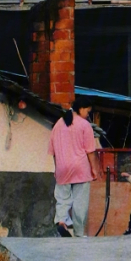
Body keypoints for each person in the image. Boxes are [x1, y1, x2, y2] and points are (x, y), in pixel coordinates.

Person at [49, 101, 100, 238]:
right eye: (87, 111)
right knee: (80, 202)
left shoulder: (58, 124)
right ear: (81, 108)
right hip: (80, 168)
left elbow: (54, 152)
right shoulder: (84, 125)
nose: (88, 115)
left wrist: (57, 168)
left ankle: (61, 221)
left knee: (62, 198)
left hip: (62, 167)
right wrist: (94, 170)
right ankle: (79, 233)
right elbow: (90, 151)